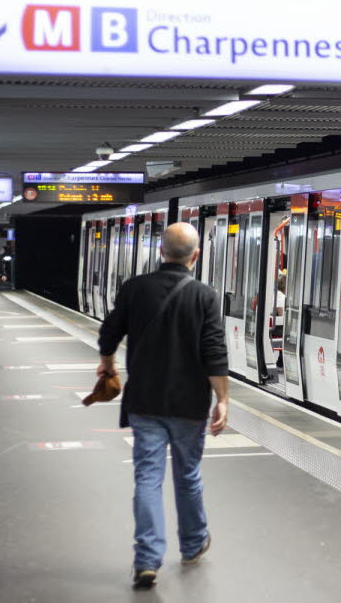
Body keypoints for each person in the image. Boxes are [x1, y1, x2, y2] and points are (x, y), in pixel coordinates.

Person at [96, 222, 229, 590]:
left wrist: (107, 362)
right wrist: (222, 400)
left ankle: (146, 560)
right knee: (187, 476)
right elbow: (214, 351)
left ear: (160, 252)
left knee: (147, 479)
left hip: (146, 401)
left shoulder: (135, 288)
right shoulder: (204, 295)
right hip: (188, 404)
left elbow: (109, 331)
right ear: (195, 256)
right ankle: (192, 544)